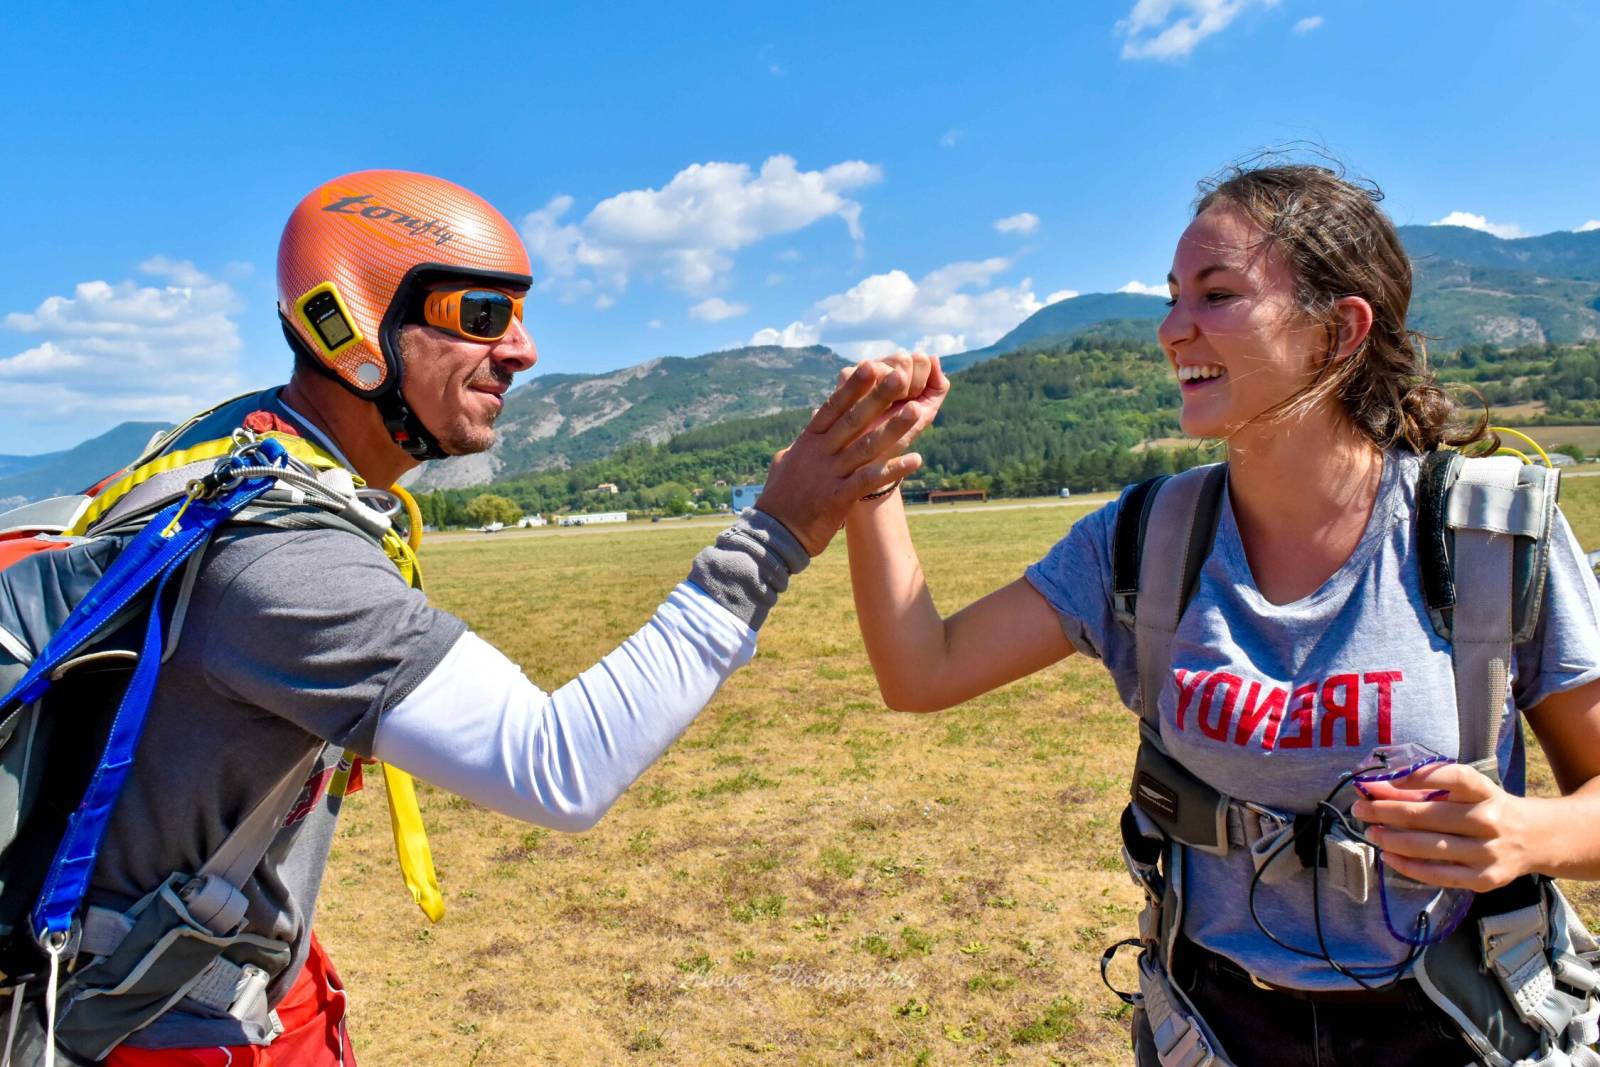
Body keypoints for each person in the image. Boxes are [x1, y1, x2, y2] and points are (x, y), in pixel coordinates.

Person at [6, 169, 929, 1065]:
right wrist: (774, 535)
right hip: (161, 1029)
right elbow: (556, 766)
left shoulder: (234, 453)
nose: (523, 350)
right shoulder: (279, 556)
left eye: (520, 316)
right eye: (481, 316)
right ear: (353, 324)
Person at [843, 163, 1600, 1065]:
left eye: (1217, 293)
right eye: (1172, 297)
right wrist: (873, 478)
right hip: (1216, 1030)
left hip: (1457, 1021)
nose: (1171, 329)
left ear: (1337, 330)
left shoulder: (1486, 535)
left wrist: (1528, 833)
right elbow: (921, 670)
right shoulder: (1143, 540)